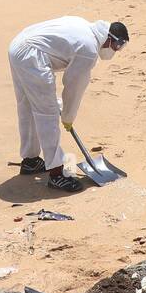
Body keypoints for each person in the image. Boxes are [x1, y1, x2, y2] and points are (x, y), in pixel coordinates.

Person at [9, 17, 130, 192]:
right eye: (117, 46)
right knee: (47, 114)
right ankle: (57, 174)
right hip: (31, 55)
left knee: (27, 105)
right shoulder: (88, 50)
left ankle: (31, 161)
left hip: (17, 47)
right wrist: (67, 116)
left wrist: (60, 105)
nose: (116, 51)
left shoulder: (85, 27)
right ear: (109, 39)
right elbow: (74, 87)